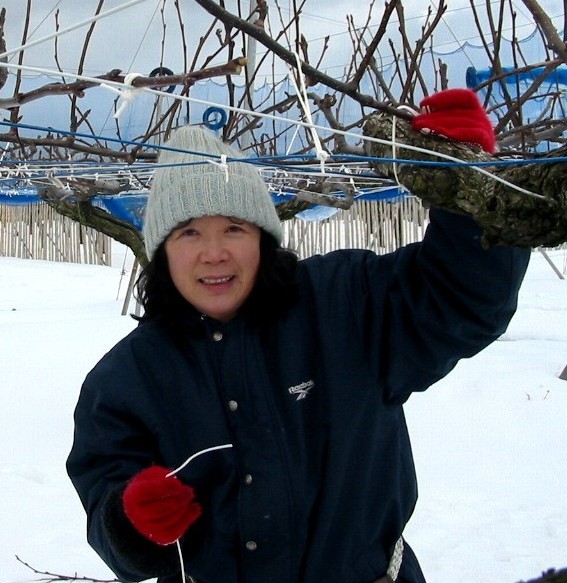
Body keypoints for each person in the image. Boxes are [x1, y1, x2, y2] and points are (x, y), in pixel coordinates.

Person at [66, 89, 530, 583]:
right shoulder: (128, 378)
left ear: (263, 237)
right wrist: (131, 522)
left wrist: (470, 190)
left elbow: (460, 301)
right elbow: (106, 500)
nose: (214, 253)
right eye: (189, 233)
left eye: (234, 228)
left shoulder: (346, 304)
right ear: (162, 250)